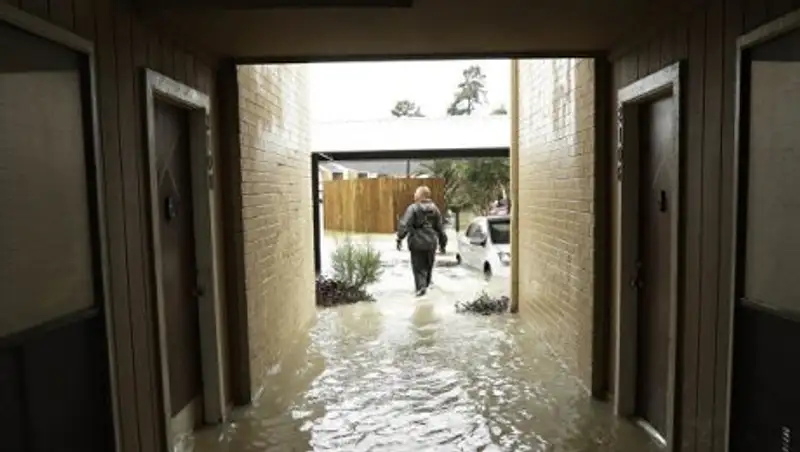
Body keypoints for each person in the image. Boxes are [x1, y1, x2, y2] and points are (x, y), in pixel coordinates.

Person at [396, 185, 447, 296]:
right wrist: (443, 244)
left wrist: (399, 238)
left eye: (416, 193)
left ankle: (421, 289)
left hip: (417, 244)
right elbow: (440, 229)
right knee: (428, 269)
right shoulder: (435, 209)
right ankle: (425, 288)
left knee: (419, 270)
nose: (414, 195)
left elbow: (405, 225)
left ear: (421, 195)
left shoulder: (413, 208)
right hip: (431, 244)